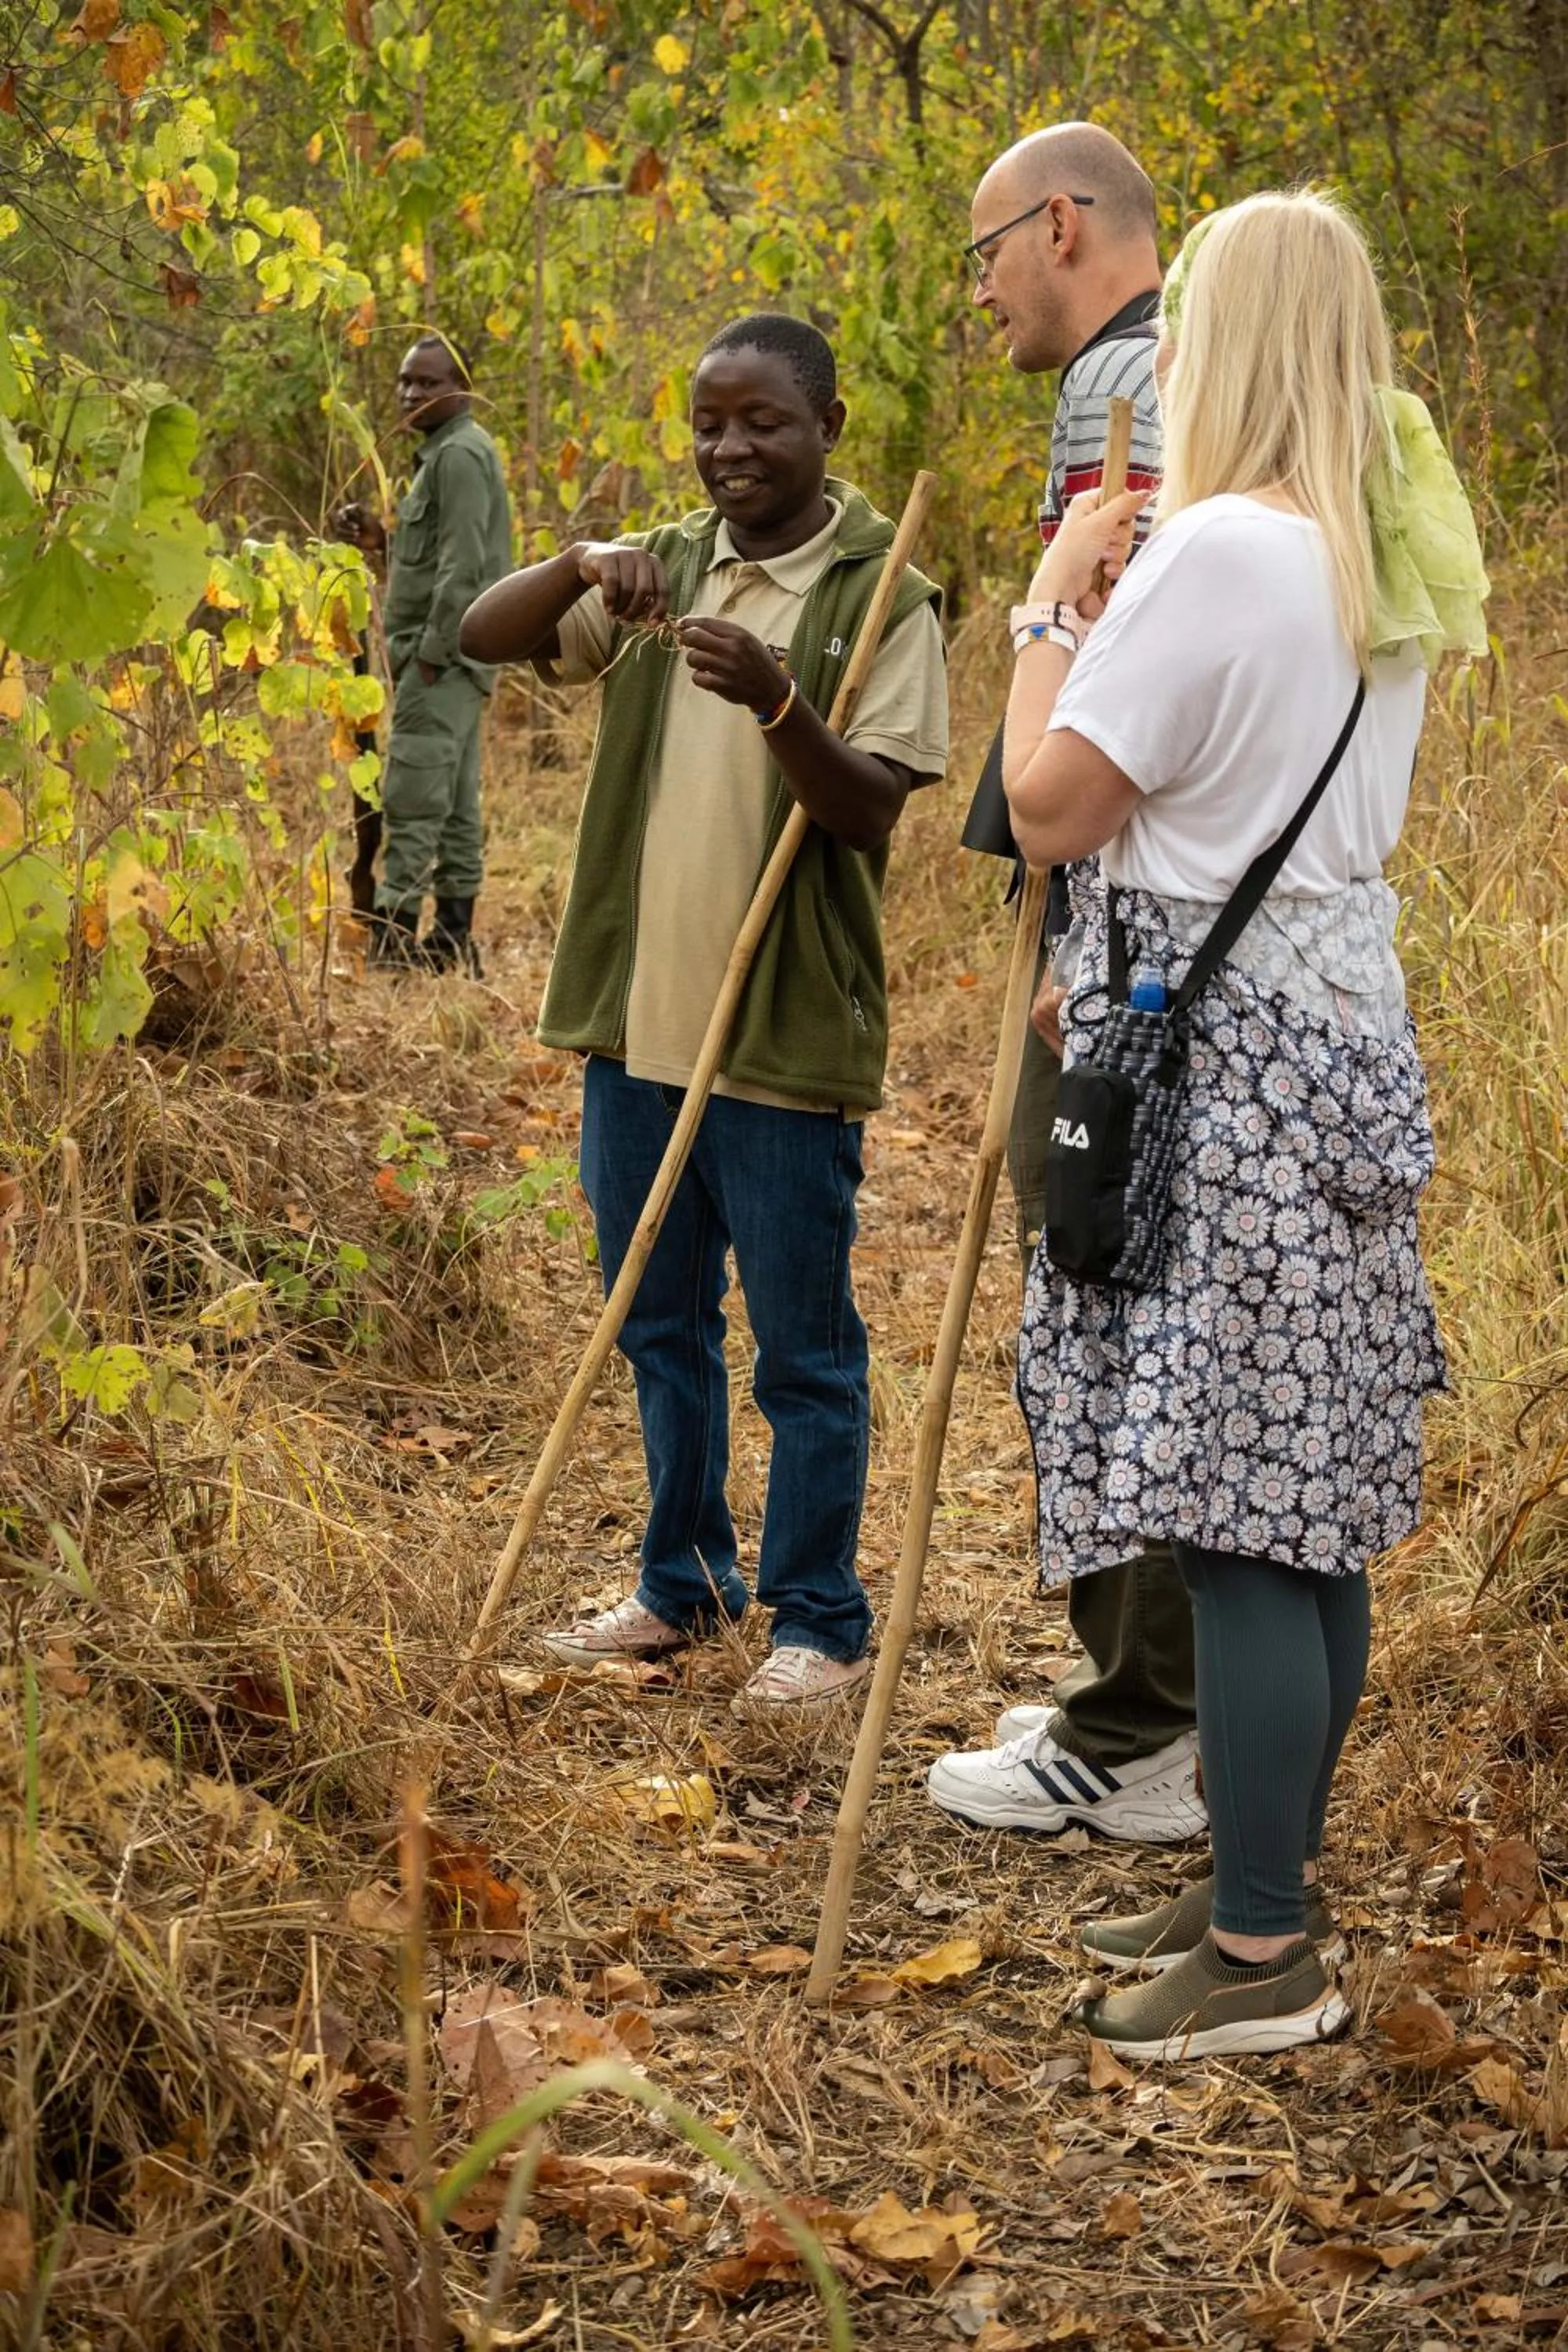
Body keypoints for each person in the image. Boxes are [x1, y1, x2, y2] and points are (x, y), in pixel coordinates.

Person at [996, 190, 1486, 2056]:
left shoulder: (1211, 552)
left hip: (1228, 1086)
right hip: (1337, 1044)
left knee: (1236, 1524)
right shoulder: (1376, 565)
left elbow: (1049, 800)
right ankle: (1244, 1878)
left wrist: (1054, 601)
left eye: (1189, 321)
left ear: (1229, 342)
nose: (1168, 353)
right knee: (1313, 1514)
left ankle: (1263, 1952)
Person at [459, 314, 948, 1712]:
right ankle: (682, 1583)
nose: (732, 449)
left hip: (782, 1039)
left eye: (765, 423)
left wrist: (782, 700)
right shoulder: (661, 570)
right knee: (658, 1322)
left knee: (805, 1350)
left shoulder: (881, 592)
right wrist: (573, 556)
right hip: (639, 1026)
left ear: (828, 426)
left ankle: (823, 1618)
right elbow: (475, 634)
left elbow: (864, 814)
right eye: (711, 425)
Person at [927, 125, 1203, 1846]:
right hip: (1110, 917)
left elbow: (1136, 668)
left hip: (1131, 924)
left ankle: (1142, 1725)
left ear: (1057, 224)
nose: (976, 295)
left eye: (982, 258)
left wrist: (1085, 922)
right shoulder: (1135, 370)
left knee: (1102, 1260)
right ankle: (1136, 1694)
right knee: (1094, 1263)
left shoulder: (1137, 385)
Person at [335, 333, 512, 973]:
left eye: (428, 383)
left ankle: (394, 948)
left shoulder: (459, 455)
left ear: (459, 388)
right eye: (406, 381)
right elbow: (433, 551)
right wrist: (381, 539)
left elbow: (464, 567)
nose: (411, 393)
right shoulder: (445, 454)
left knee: (410, 799)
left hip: (442, 660)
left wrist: (430, 656)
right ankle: (452, 941)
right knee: (457, 801)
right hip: (454, 660)